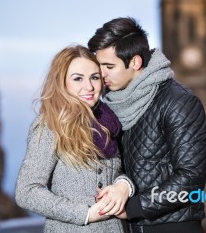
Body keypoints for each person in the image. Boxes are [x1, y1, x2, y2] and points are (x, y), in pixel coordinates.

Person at [88, 17, 206, 233]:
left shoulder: (178, 102)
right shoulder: (108, 108)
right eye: (99, 66)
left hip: (172, 226)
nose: (101, 74)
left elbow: (191, 179)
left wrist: (134, 207)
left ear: (135, 62)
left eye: (109, 66)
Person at [15, 45, 134, 232]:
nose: (89, 86)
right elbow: (27, 192)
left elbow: (118, 172)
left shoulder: (110, 122)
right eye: (78, 78)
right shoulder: (50, 126)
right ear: (61, 83)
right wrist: (84, 214)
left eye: (94, 77)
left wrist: (123, 186)